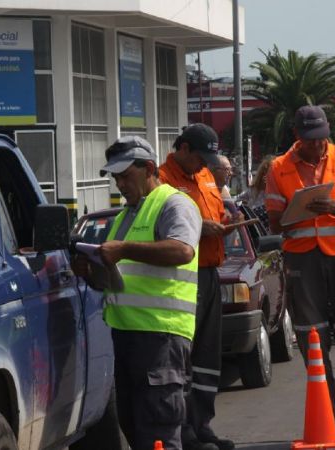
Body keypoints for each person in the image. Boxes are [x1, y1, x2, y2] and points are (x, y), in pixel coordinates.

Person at [73, 136, 202, 450]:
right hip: (127, 334)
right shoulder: (124, 217)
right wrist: (90, 272)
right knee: (135, 426)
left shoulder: (175, 203)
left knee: (158, 429)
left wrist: (124, 249)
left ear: (148, 168)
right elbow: (121, 279)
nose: (119, 184)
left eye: (125, 175)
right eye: (115, 177)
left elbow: (183, 250)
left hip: (161, 334)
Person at [264, 106, 335, 442]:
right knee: (313, 340)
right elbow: (274, 221)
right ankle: (329, 415)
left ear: (328, 132)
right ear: (297, 136)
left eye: (321, 139)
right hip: (302, 262)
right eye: (309, 140)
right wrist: (298, 212)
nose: (316, 146)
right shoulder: (279, 168)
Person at [159, 123, 235, 450]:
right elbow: (163, 225)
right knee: (184, 359)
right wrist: (200, 226)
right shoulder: (162, 179)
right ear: (184, 148)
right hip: (182, 278)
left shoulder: (204, 176)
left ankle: (203, 424)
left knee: (207, 355)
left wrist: (225, 225)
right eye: (199, 157)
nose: (203, 165)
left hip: (210, 273)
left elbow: (217, 212)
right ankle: (185, 432)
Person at [237, 156, 273, 230]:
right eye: (264, 173)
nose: (266, 177)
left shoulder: (278, 192)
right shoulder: (253, 190)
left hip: (270, 233)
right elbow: (236, 199)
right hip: (253, 229)